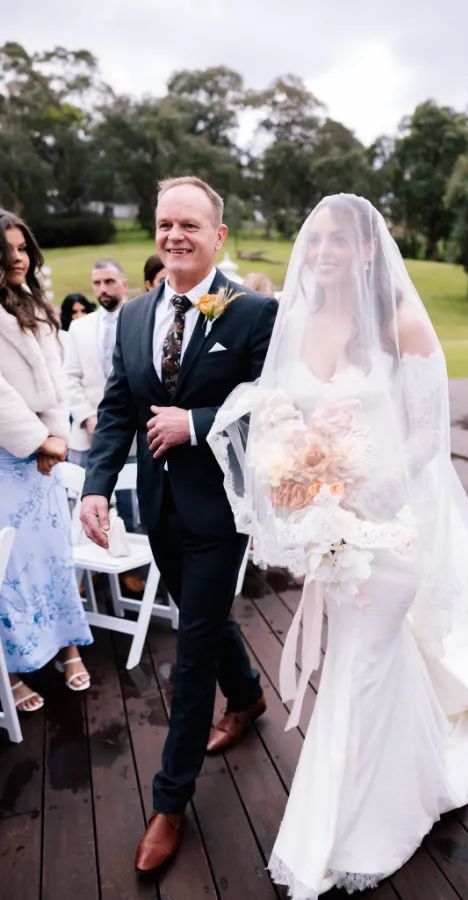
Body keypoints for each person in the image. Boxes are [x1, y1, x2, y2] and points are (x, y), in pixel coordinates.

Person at [208, 194, 468, 899]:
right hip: (330, 532)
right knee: (369, 660)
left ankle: (338, 832)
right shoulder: (297, 324)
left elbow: (426, 437)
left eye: (338, 240)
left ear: (367, 249)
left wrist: (359, 489)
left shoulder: (402, 325)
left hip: (390, 533)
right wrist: (300, 480)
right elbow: (277, 415)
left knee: (360, 662)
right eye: (315, 239)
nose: (323, 251)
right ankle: (417, 767)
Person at [79, 176, 278, 875]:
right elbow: (117, 411)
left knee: (190, 654)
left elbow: (277, 408)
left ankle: (169, 803)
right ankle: (250, 697)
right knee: (201, 611)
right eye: (165, 223)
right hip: (157, 511)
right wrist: (97, 487)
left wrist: (195, 424)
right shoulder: (133, 316)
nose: (175, 236)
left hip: (222, 511)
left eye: (190, 225)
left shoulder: (254, 314)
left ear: (217, 235)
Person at [0, 210, 93, 713]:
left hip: (46, 458)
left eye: (21, 247)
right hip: (7, 458)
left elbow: (57, 379)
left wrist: (55, 436)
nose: (17, 257)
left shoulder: (35, 303)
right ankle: (14, 671)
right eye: (6, 249)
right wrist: (37, 440)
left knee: (56, 557)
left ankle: (68, 648)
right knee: (11, 567)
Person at [64, 258, 143, 595]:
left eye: (109, 282)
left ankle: (131, 568)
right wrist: (89, 418)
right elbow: (70, 379)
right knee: (92, 500)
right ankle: (94, 573)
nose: (102, 290)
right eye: (97, 283)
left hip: (136, 433)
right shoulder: (80, 328)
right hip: (90, 434)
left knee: (132, 505)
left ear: (124, 283)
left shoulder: (140, 318)